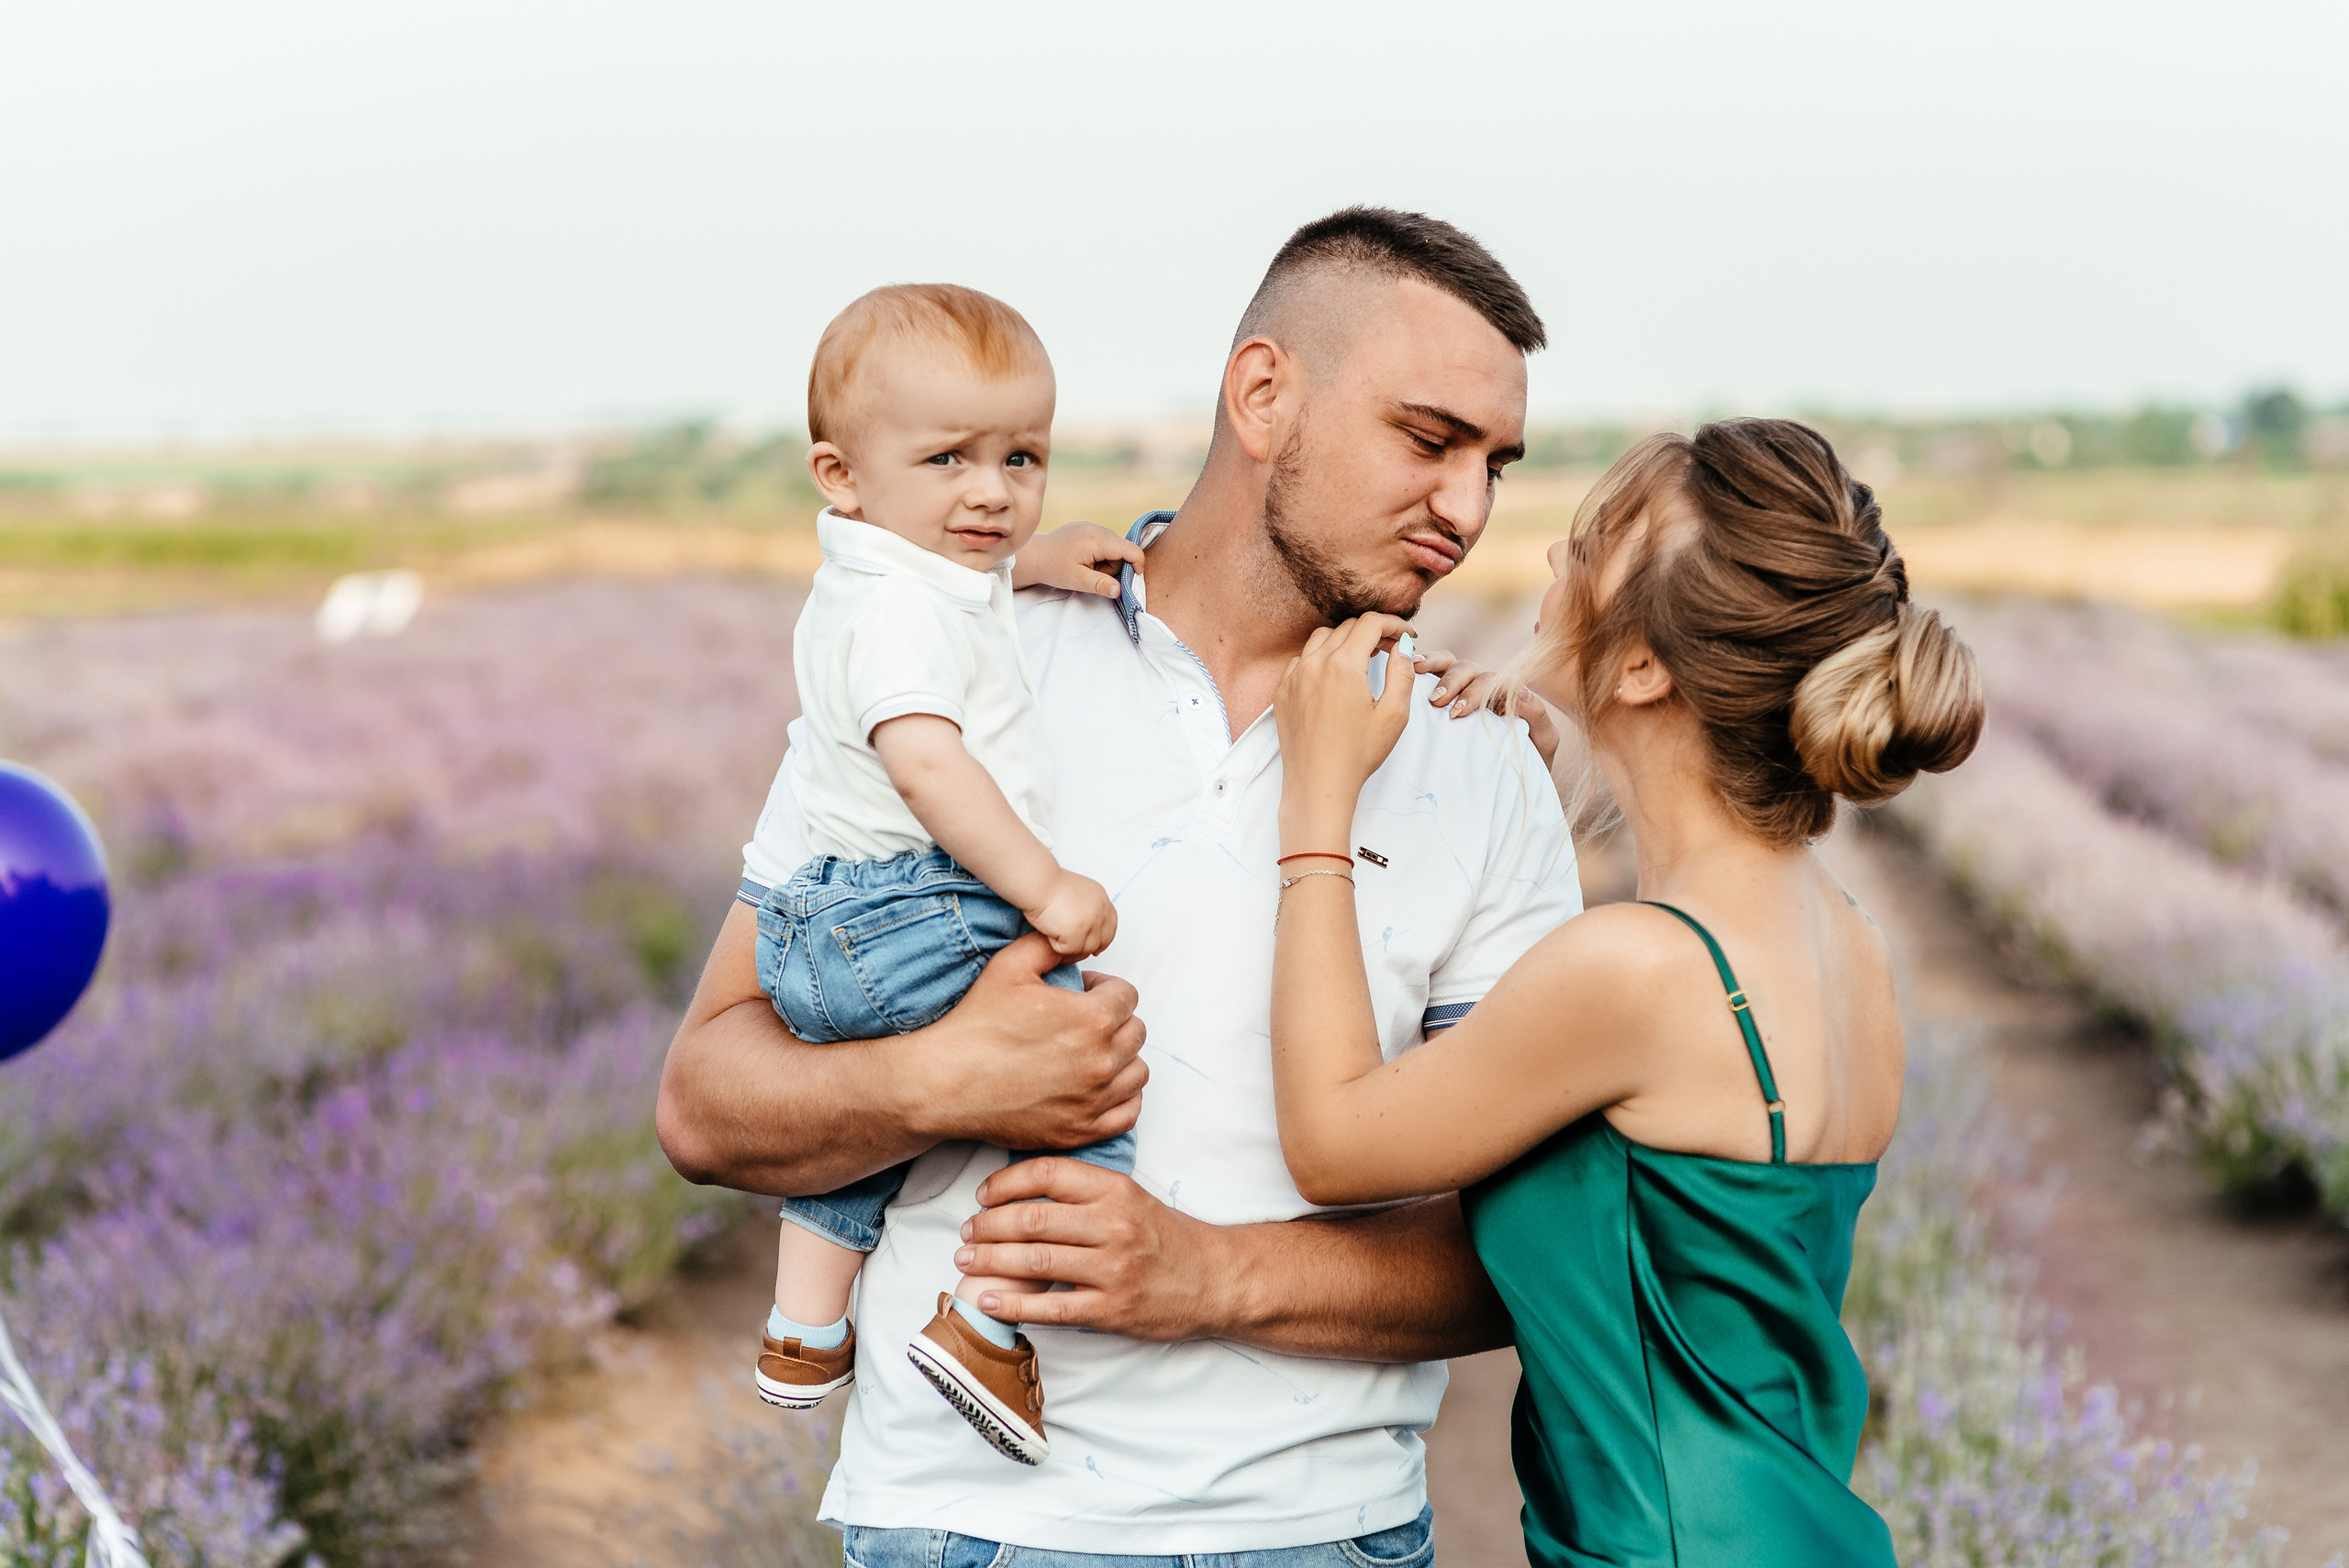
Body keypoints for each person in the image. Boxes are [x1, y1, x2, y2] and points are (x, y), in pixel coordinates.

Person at [657, 206, 1574, 1560]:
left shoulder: (1482, 764)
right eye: (1428, 441)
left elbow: (1528, 1259)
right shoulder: (962, 664)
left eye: (1494, 464)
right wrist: (943, 1080)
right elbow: (703, 1101)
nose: (1467, 509)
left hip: (1327, 1534)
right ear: (1263, 394)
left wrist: (1211, 1277)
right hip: (957, 1530)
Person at [1264, 418, 1985, 1567]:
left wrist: (1318, 804)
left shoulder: (1639, 968)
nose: (1555, 553)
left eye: (1594, 537)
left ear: (1645, 666)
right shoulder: (1846, 943)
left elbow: (1332, 1138)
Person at [741, 281, 1178, 1463]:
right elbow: (928, 761)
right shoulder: (902, 620)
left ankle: (802, 1328)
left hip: (814, 930)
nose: (991, 490)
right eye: (947, 459)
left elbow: (953, 588)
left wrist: (1021, 562)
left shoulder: (886, 576)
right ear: (839, 474)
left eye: (1020, 456)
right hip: (903, 908)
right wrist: (1047, 889)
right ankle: (983, 1325)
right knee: (1083, 1074)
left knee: (879, 1127)